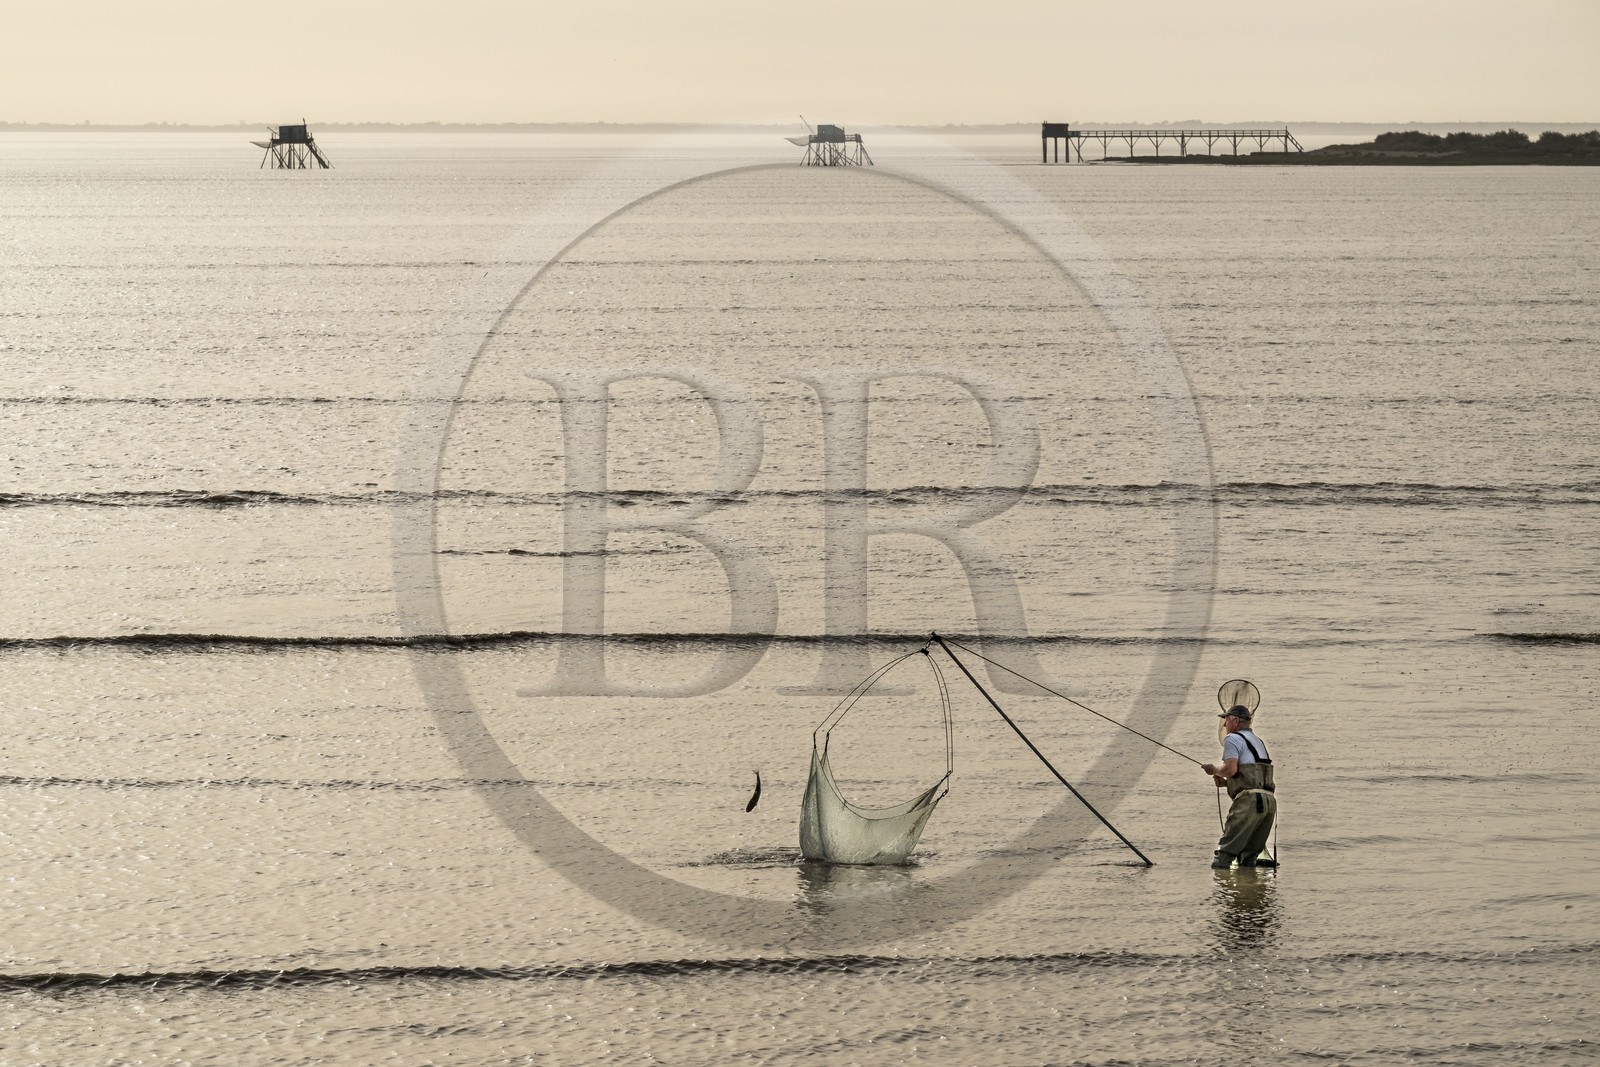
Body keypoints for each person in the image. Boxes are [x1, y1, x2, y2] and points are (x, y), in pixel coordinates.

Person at [1201, 704, 1277, 869]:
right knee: (1249, 858)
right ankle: (1249, 891)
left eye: (1226, 720)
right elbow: (1255, 777)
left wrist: (1213, 770)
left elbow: (1230, 768)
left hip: (1250, 804)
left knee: (1224, 856)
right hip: (1269, 804)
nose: (1224, 725)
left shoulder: (1232, 738)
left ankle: (1220, 892)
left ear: (1235, 720)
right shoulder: (1258, 741)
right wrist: (1228, 784)